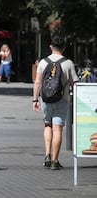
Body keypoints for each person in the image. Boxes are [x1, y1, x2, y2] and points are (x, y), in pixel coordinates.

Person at [32, 36, 78, 170]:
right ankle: (55, 160)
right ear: (64, 48)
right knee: (58, 129)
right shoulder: (68, 63)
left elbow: (38, 83)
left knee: (47, 125)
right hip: (62, 100)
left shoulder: (43, 62)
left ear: (51, 47)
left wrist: (35, 99)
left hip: (46, 98)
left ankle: (47, 155)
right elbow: (75, 84)